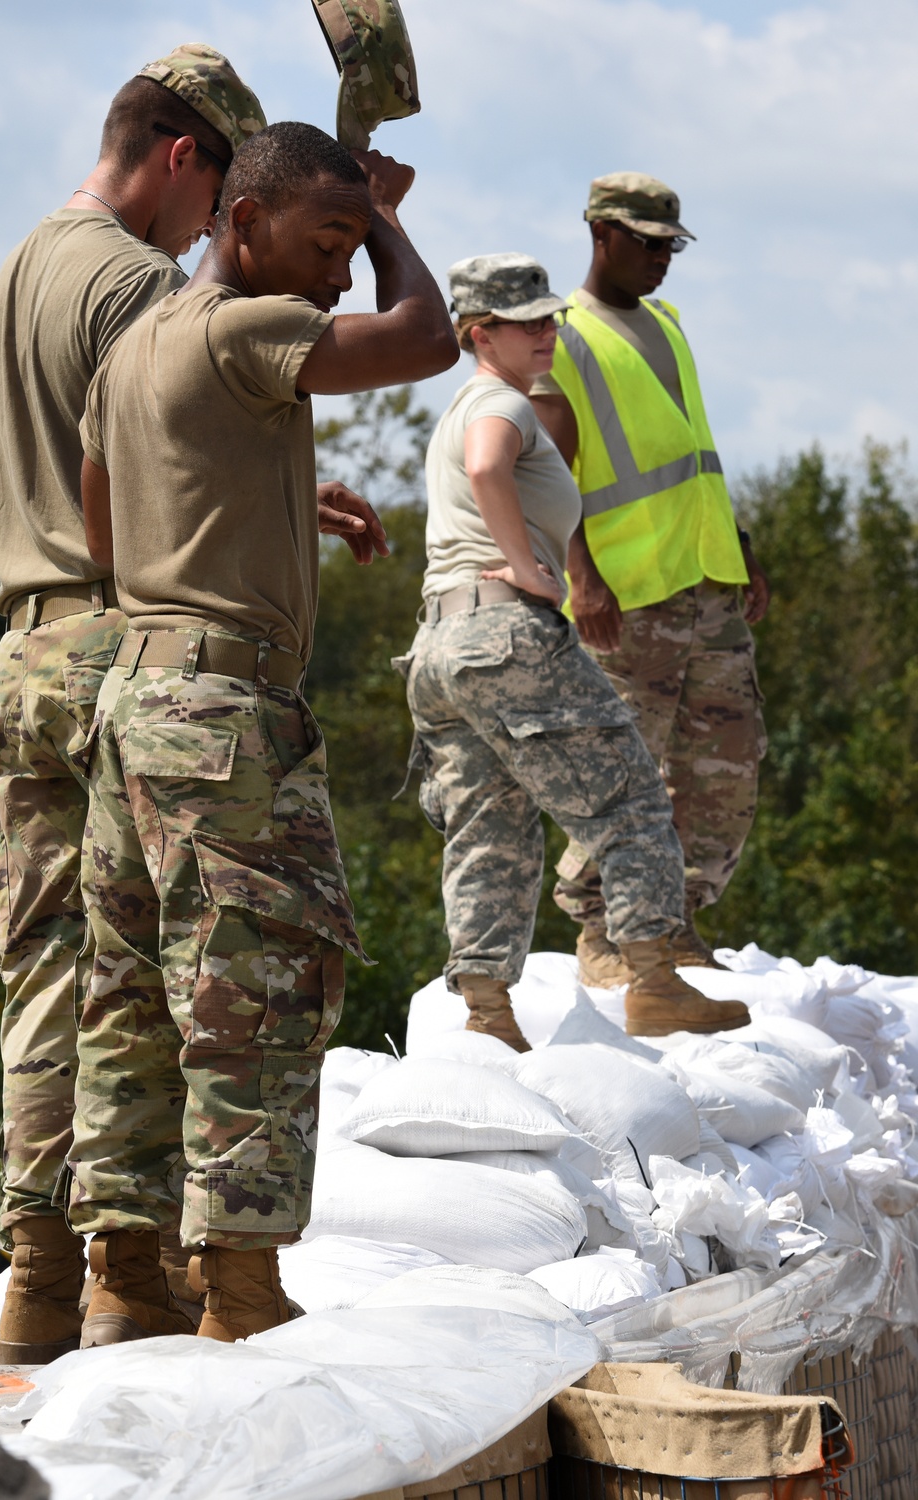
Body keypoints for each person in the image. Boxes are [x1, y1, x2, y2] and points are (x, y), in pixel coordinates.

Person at [0, 44, 375, 1365]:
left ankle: (40, 1276)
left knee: (60, 981)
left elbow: (130, 457)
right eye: (218, 208)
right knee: (176, 985)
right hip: (132, 650)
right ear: (187, 160)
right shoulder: (148, 289)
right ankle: (139, 1270)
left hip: (23, 652)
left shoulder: (18, 271)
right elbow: (159, 448)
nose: (222, 237)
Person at [70, 120, 459, 1346]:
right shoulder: (246, 325)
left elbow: (101, 527)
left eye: (355, 244)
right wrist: (392, 216)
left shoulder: (133, 350)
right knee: (260, 987)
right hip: (224, 714)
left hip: (133, 695)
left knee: (132, 998)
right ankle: (239, 1293)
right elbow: (429, 340)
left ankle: (115, 1279)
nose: (342, 271)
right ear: (240, 224)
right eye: (325, 241)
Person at [400, 252, 750, 1055]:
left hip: (440, 645)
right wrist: (528, 567)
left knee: (490, 826)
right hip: (506, 635)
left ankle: (488, 1013)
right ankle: (654, 981)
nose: (548, 333)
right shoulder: (502, 406)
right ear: (480, 333)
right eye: (527, 324)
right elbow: (492, 464)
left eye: (551, 318)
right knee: (631, 799)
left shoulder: (459, 406)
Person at [530, 173, 771, 988]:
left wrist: (740, 547)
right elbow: (551, 470)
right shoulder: (562, 335)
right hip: (625, 597)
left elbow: (693, 452)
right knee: (623, 766)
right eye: (648, 242)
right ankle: (602, 930)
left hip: (705, 578)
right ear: (601, 233)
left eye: (671, 245)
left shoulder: (667, 322)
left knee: (725, 760)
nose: (664, 259)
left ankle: (671, 924)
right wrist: (581, 575)